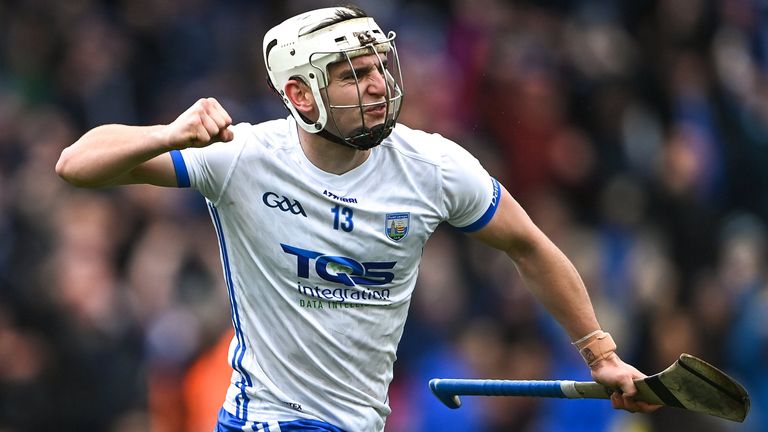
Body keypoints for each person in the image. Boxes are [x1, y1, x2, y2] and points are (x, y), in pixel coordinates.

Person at [55, 5, 658, 431]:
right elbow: (76, 164)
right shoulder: (242, 158)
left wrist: (600, 354)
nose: (376, 86)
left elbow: (530, 246)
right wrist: (169, 133)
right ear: (299, 96)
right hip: (268, 419)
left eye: (377, 68)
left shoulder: (434, 167)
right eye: (352, 76)